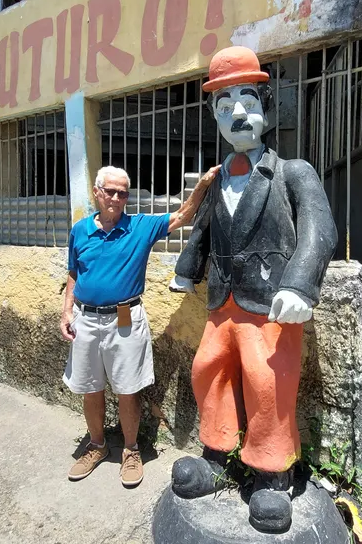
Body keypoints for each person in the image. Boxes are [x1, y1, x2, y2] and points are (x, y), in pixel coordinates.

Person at [168, 46, 337, 532]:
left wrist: (302, 284)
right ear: (214, 117)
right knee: (208, 370)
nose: (237, 113)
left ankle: (270, 474)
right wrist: (187, 267)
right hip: (222, 302)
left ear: (266, 104)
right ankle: (217, 455)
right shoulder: (218, 177)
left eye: (246, 101)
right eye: (224, 106)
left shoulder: (293, 172)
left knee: (268, 385)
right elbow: (204, 227)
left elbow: (319, 230)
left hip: (271, 304)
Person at [62, 164, 219, 488]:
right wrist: (66, 313)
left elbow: (181, 216)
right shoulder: (79, 230)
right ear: (97, 193)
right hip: (86, 319)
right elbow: (73, 274)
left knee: (127, 389)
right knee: (91, 388)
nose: (117, 198)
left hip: (124, 316)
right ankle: (97, 445)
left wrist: (202, 185)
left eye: (123, 193)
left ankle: (131, 450)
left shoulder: (139, 228)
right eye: (111, 191)